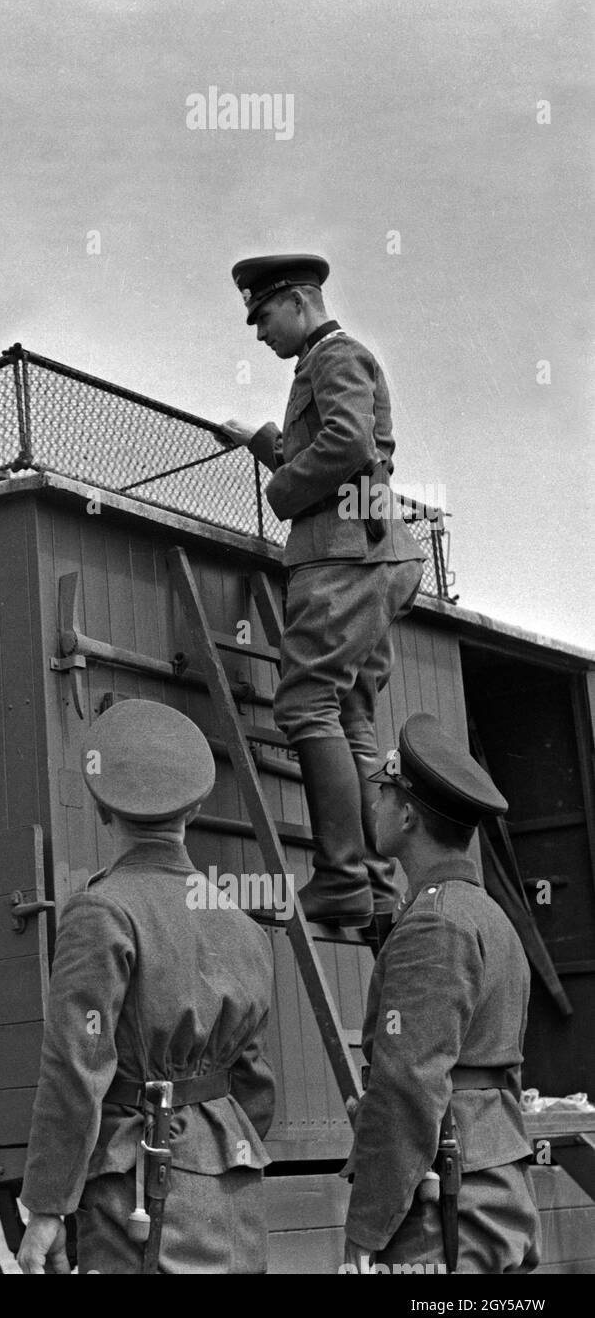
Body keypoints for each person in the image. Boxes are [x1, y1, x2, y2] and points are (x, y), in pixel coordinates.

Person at [17, 700, 276, 1274]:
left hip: (137, 1191)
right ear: (198, 807)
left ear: (102, 807)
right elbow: (254, 1087)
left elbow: (74, 1072)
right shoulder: (244, 927)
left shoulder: (101, 913)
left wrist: (46, 1208)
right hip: (232, 1186)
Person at [222, 254, 426, 927]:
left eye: (263, 315)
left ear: (301, 301)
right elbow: (346, 449)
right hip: (371, 553)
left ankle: (340, 876)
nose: (258, 333)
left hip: (341, 556)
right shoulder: (331, 361)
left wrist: (280, 487)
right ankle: (369, 879)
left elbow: (347, 441)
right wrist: (267, 443)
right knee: (351, 716)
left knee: (308, 704)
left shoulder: (334, 356)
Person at [343, 712, 540, 1273]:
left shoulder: (434, 924)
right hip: (491, 1195)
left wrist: (365, 1232)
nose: (374, 806)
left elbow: (409, 1088)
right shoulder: (490, 918)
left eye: (383, 794)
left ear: (407, 816)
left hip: (444, 1211)